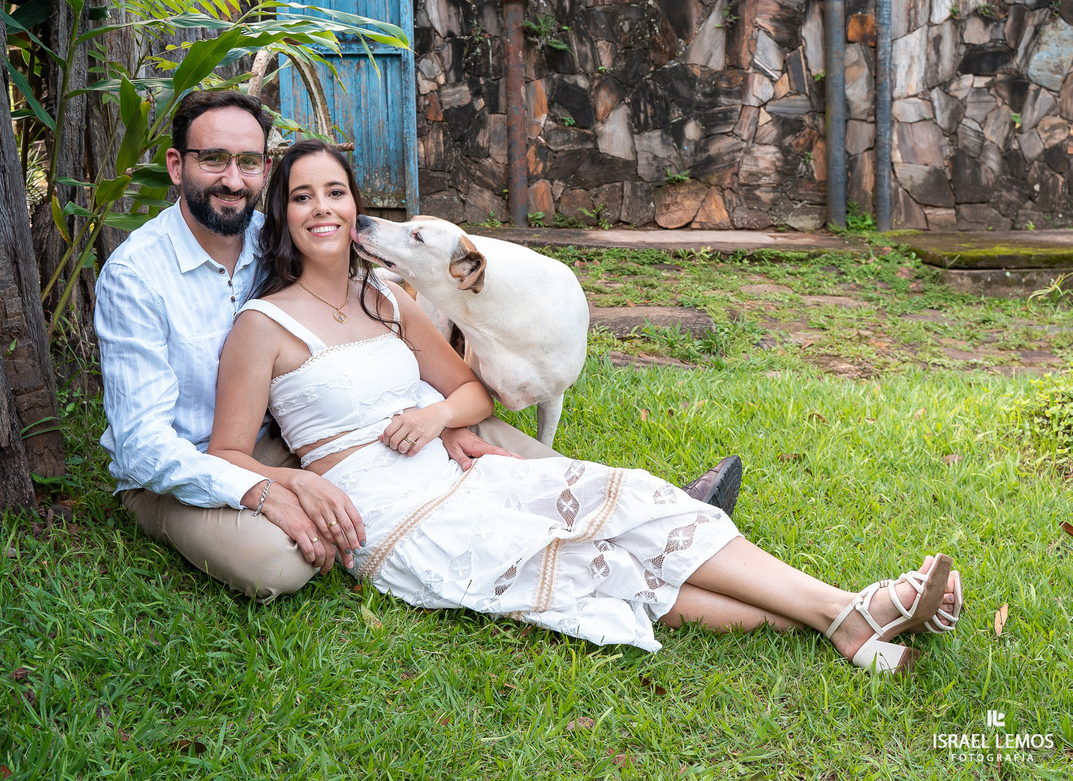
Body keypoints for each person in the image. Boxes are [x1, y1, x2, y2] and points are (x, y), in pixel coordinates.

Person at [206, 140, 962, 672]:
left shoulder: (390, 299)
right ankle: (852, 614)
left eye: (335, 192)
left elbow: (470, 390)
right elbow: (226, 454)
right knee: (594, 565)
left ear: (355, 204)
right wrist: (301, 482)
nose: (324, 209)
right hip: (385, 512)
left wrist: (438, 420)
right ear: (283, 214)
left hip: (457, 468)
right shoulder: (263, 325)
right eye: (302, 196)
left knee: (633, 498)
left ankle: (847, 617)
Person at [94, 90, 741, 604]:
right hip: (185, 466)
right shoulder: (136, 275)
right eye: (213, 160)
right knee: (277, 564)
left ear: (265, 168)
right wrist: (265, 490)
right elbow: (144, 445)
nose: (231, 179)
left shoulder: (273, 231)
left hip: (299, 425)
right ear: (178, 166)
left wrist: (436, 412)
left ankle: (645, 509)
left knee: (471, 427)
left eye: (248, 162)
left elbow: (351, 324)